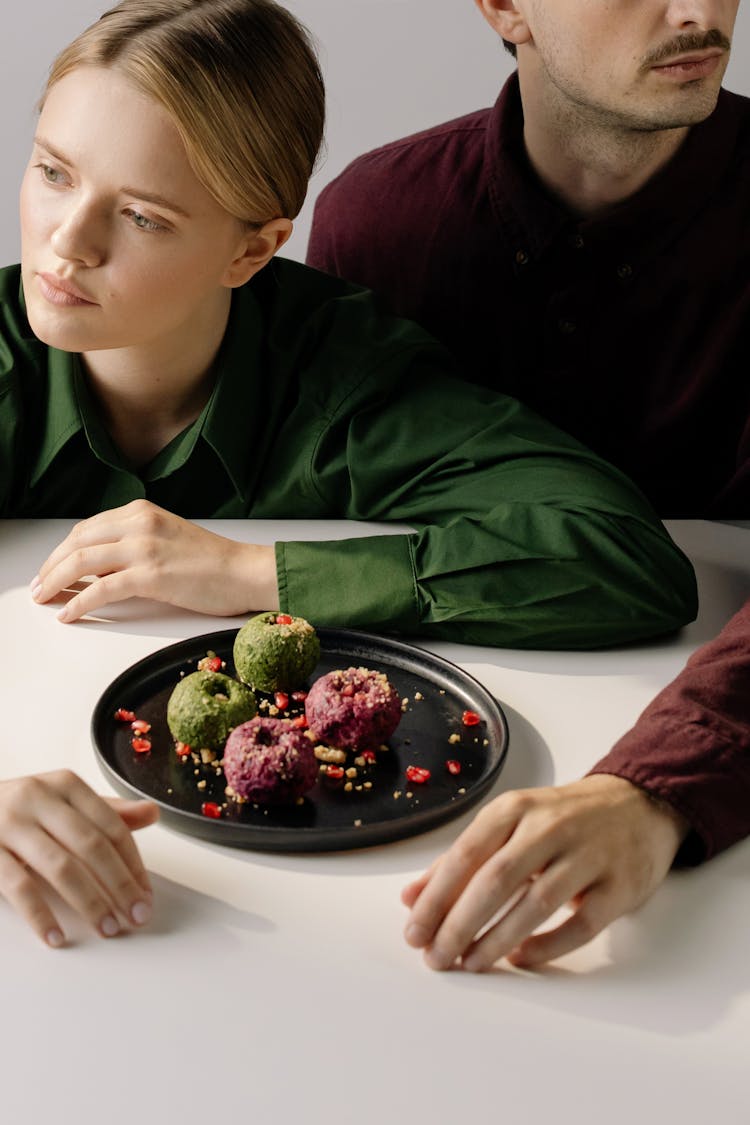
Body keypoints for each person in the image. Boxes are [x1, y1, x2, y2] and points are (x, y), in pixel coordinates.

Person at [0, 0, 696, 949]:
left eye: (141, 215)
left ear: (253, 247)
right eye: (51, 171)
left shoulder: (345, 375)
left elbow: (630, 562)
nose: (65, 243)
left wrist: (258, 576)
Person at [306, 0, 750, 971]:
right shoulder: (374, 226)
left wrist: (652, 790)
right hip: (385, 812)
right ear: (505, 8)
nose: (699, 11)